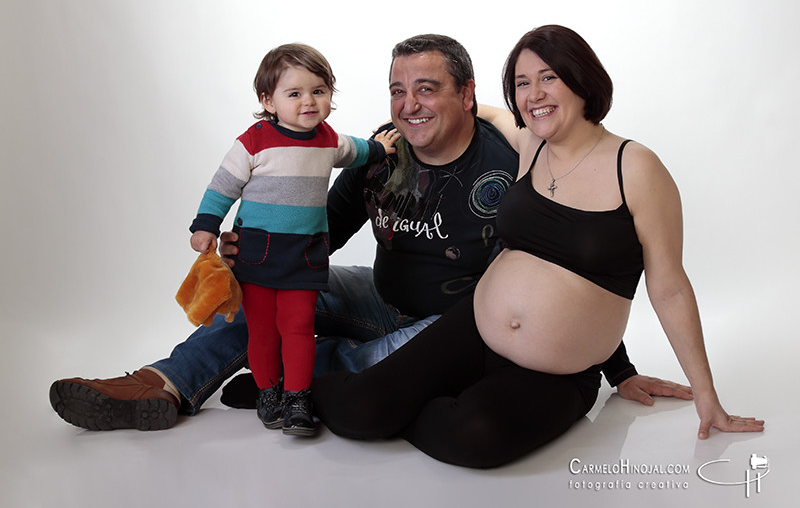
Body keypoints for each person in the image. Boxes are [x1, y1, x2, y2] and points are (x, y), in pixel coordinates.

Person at [49, 33, 690, 434]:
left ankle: (288, 376)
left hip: (451, 329)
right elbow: (318, 236)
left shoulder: (513, 161)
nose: (408, 104)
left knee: (368, 374)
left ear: (468, 95)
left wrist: (617, 368)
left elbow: (578, 264)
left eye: (427, 88)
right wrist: (255, 249)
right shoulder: (378, 158)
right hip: (376, 299)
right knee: (270, 290)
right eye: (397, 90)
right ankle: (161, 386)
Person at [309, 25, 765, 468]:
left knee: (473, 438)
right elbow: (484, 112)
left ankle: (410, 404)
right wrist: (429, 105)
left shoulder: (636, 167)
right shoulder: (530, 144)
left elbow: (669, 289)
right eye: (522, 83)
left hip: (559, 370)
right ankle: (295, 394)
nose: (534, 94)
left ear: (583, 80)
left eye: (549, 78)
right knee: (358, 413)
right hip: (473, 328)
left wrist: (705, 396)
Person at [187, 43, 399, 436]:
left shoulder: (327, 140)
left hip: (305, 257)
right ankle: (268, 390)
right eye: (295, 93)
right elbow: (222, 187)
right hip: (257, 253)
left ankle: (298, 397)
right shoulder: (254, 140)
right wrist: (206, 225)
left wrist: (380, 148)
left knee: (298, 327)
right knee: (263, 330)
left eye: (319, 91)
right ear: (268, 100)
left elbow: (356, 151)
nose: (309, 101)